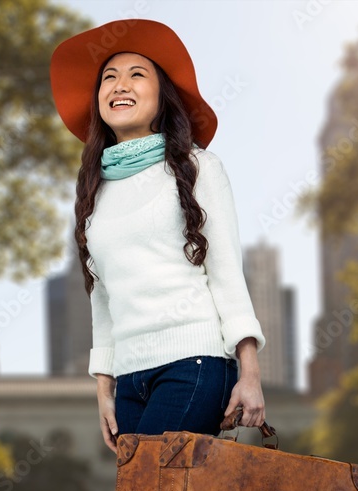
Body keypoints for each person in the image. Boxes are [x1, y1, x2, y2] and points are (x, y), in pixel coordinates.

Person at [49, 19, 267, 454]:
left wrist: (250, 373)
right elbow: (102, 300)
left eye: (136, 75)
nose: (119, 85)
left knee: (148, 483)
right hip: (131, 379)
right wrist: (104, 387)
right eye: (108, 78)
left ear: (161, 95)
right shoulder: (94, 192)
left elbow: (225, 272)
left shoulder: (198, 167)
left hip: (196, 362)